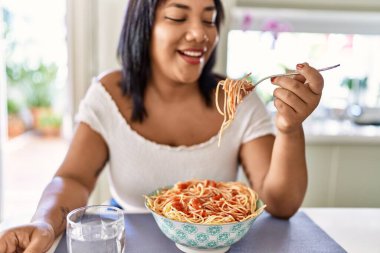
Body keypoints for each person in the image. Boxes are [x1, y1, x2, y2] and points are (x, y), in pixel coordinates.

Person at [0, 0, 325, 252]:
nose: (201, 34)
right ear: (145, 25)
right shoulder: (109, 94)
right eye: (178, 17)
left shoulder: (239, 100)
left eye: (209, 19)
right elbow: (73, 178)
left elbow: (280, 204)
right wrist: (43, 222)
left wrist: (289, 128)